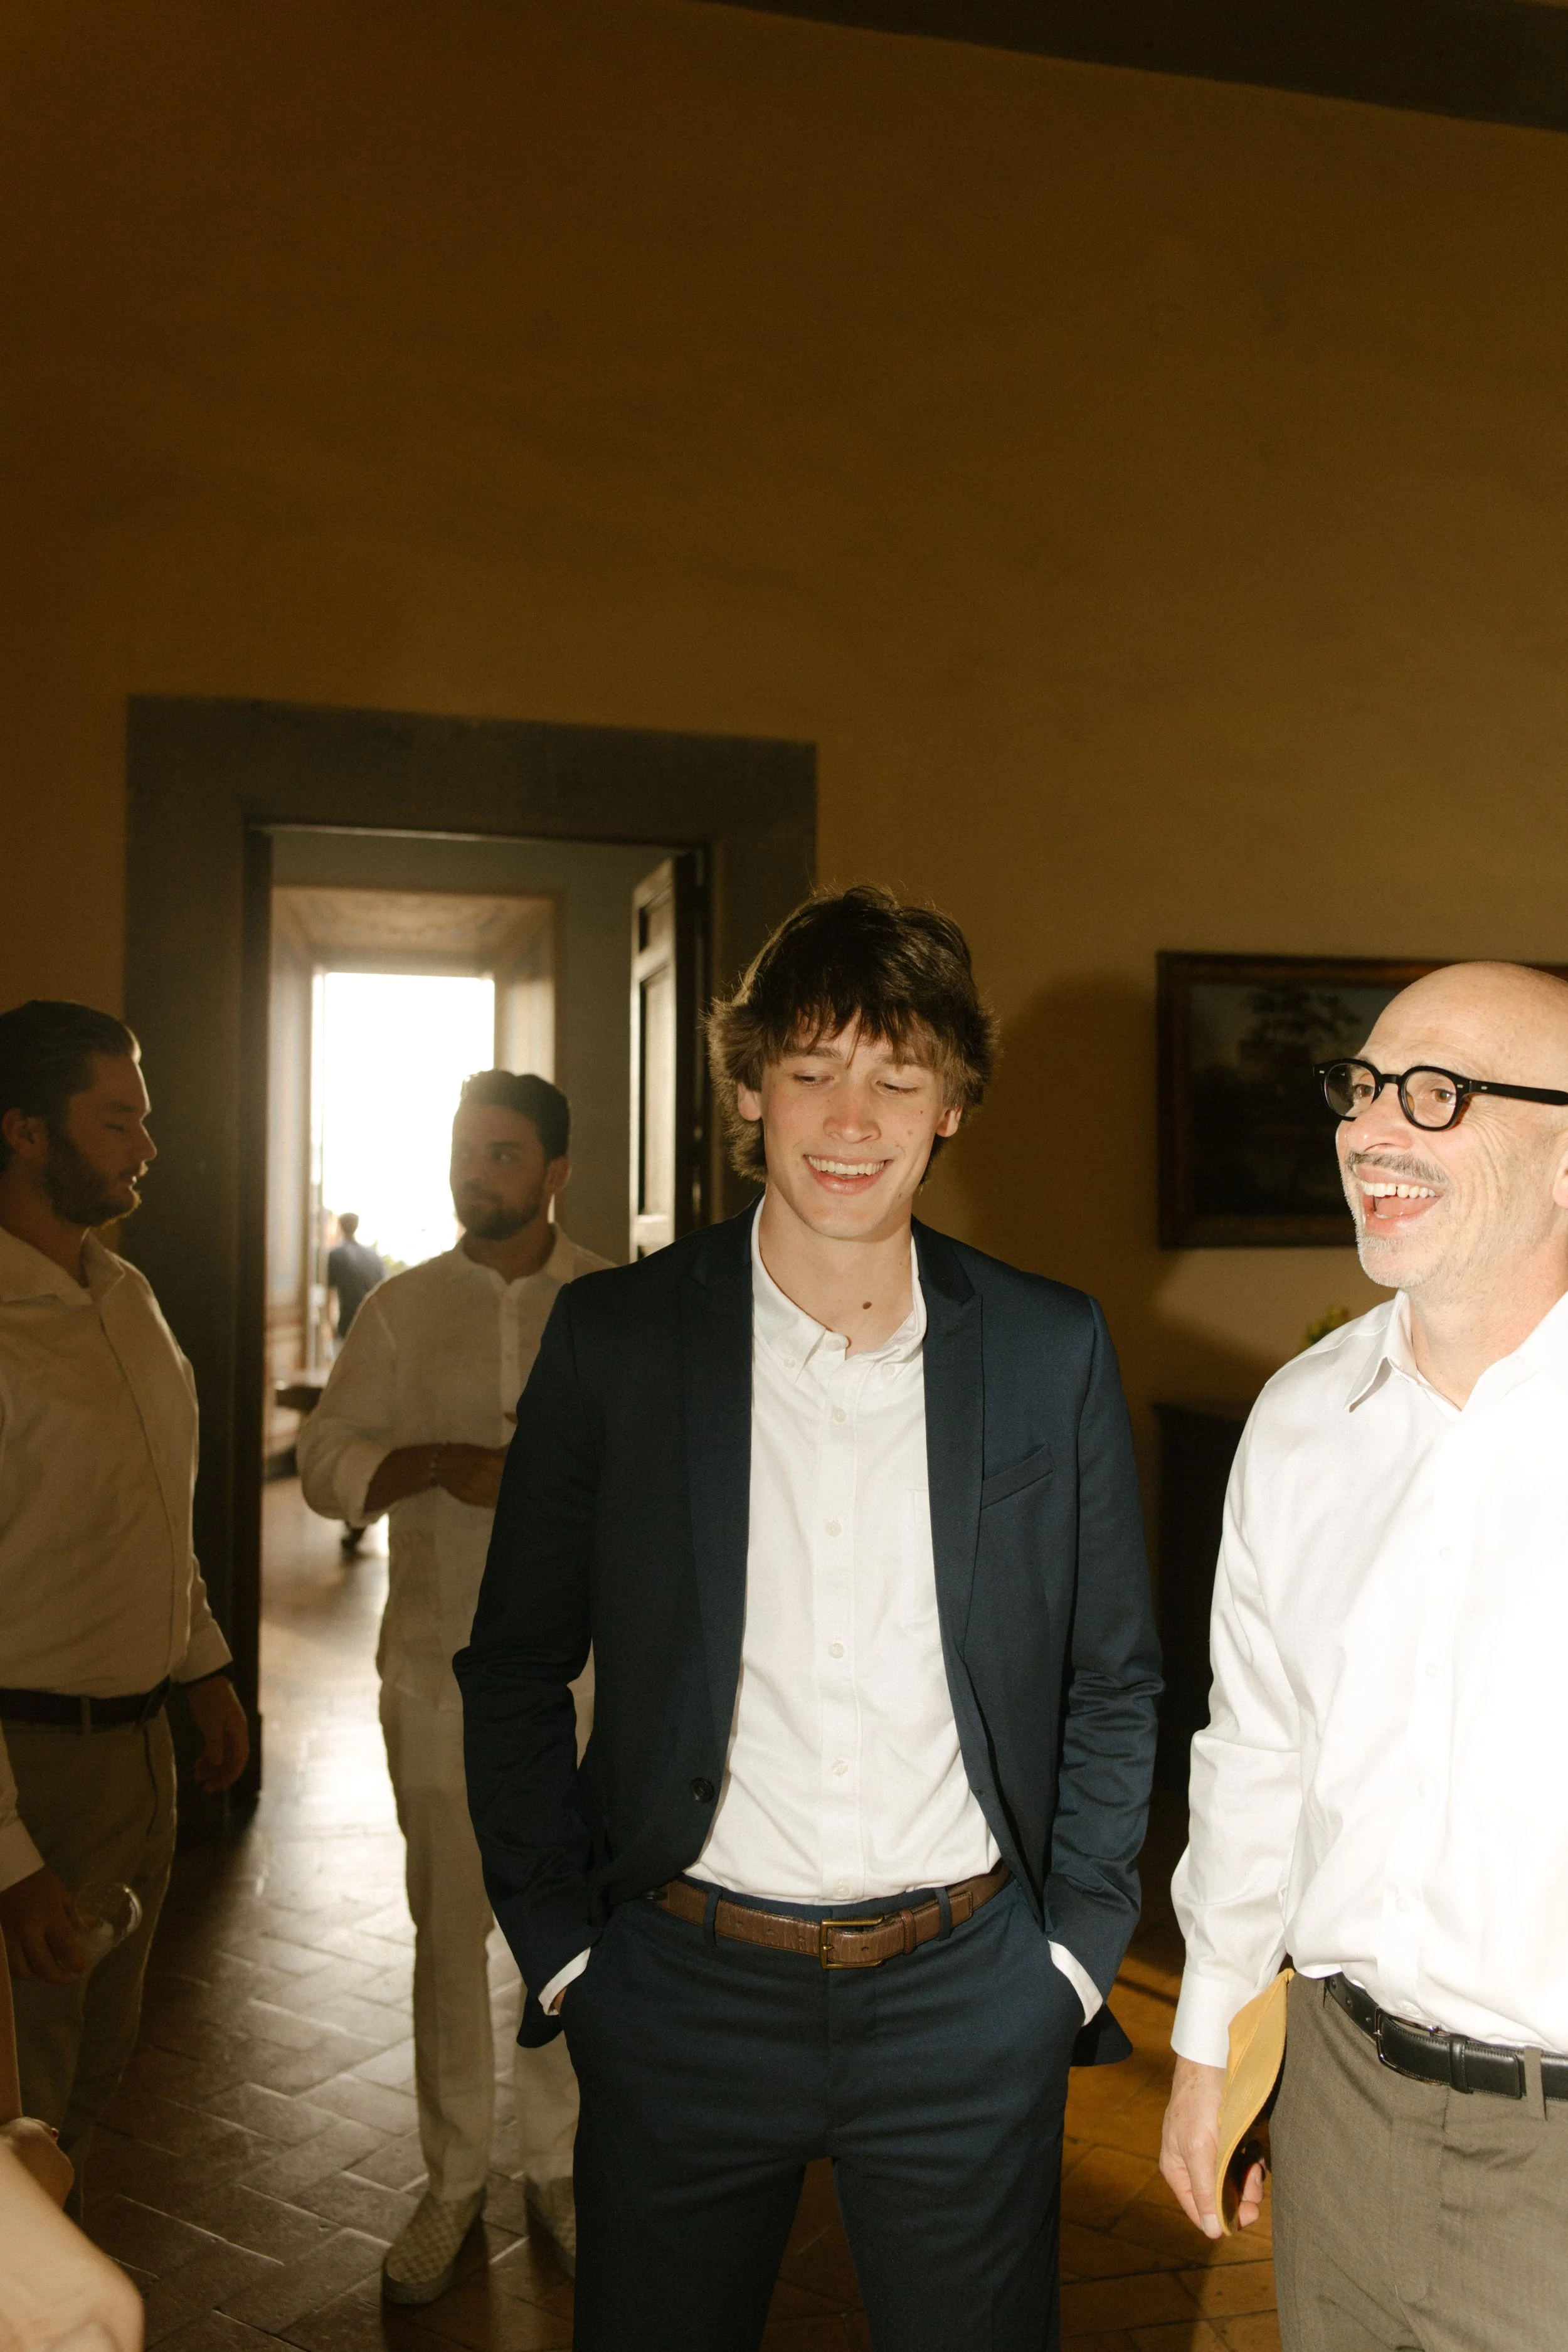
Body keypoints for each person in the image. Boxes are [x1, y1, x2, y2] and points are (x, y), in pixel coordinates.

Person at [457, 887, 1162, 2352]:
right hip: (685, 1992)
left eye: (900, 1075)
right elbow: (516, 1659)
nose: (854, 1117)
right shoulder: (620, 1342)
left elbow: (1114, 1673)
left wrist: (1074, 1952)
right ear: (743, 1085)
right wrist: (569, 1947)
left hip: (971, 1997)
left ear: (953, 1104)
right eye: (812, 1068)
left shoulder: (1050, 1345)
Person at [1160, 960, 1568, 2350]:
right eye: (1361, 1086)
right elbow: (1256, 1751)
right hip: (1339, 2108)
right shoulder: (1298, 1419)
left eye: (1436, 1095)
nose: (1368, 1129)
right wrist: (1210, 2039)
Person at [298, 1069, 608, 2306]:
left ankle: (558, 2168)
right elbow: (323, 1461)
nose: (474, 1172)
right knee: (447, 1935)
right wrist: (429, 1460)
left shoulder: (609, 1303)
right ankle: (449, 2186)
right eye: (462, 1151)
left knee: (572, 1939)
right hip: (436, 1671)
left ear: (553, 1173)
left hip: (589, 1685)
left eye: (501, 1152)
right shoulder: (401, 1310)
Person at [0, 1002, 250, 2208]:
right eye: (118, 1120)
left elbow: (157, 1510)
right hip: (32, 1770)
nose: (147, 1146)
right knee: (19, 2102)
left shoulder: (129, 1296)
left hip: (139, 1753)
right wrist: (10, 1861)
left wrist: (200, 1665)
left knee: (93, 2077)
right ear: (26, 1133)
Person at [326, 1212, 385, 1343]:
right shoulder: (374, 1256)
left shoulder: (336, 1255)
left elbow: (330, 1295)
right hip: (373, 1323)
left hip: (348, 1324)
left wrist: (331, 1325)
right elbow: (384, 1291)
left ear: (339, 1227)